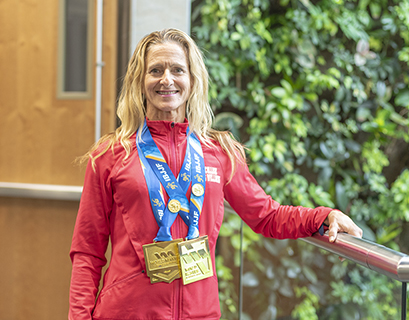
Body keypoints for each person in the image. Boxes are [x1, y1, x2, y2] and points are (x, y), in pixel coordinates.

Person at [69, 28, 362, 320]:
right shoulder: (110, 154)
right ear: (140, 81)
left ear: (193, 80)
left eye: (177, 70)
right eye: (155, 70)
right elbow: (88, 251)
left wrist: (323, 217)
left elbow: (266, 216)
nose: (166, 79)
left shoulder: (220, 151)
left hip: (200, 313)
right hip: (128, 312)